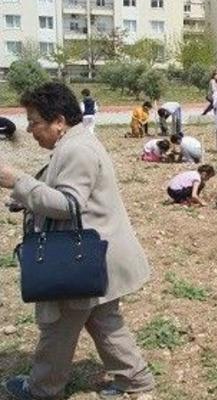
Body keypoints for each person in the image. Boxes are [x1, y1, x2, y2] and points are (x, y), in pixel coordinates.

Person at [0, 82, 154, 399]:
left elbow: (69, 204)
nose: (29, 130)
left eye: (34, 122)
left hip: (83, 259)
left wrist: (18, 182)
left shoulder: (76, 149)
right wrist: (29, 197)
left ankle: (43, 389)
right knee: (105, 321)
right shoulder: (77, 142)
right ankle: (136, 382)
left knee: (58, 326)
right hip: (98, 256)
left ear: (58, 120)